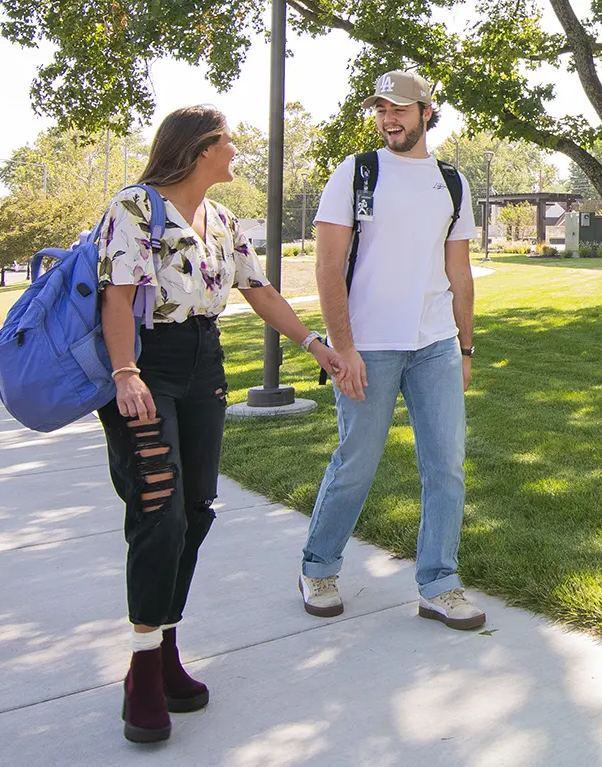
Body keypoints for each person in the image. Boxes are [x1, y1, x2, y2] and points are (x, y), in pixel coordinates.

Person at [99, 105, 345, 743]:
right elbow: (117, 298)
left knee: (198, 508)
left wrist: (313, 344)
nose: (237, 153)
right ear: (200, 148)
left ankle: (166, 648)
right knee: (160, 513)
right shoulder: (134, 208)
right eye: (229, 143)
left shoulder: (224, 220)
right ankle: (142, 670)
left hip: (204, 363)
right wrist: (125, 373)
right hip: (148, 366)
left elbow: (258, 290)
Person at [298, 70, 486, 632]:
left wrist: (467, 348)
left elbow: (459, 271)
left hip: (435, 347)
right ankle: (318, 566)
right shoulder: (356, 172)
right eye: (382, 110)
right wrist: (344, 347)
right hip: (368, 348)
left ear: (428, 112)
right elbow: (328, 267)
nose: (389, 119)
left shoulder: (451, 182)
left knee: (446, 467)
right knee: (357, 463)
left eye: (401, 109)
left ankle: (439, 583)